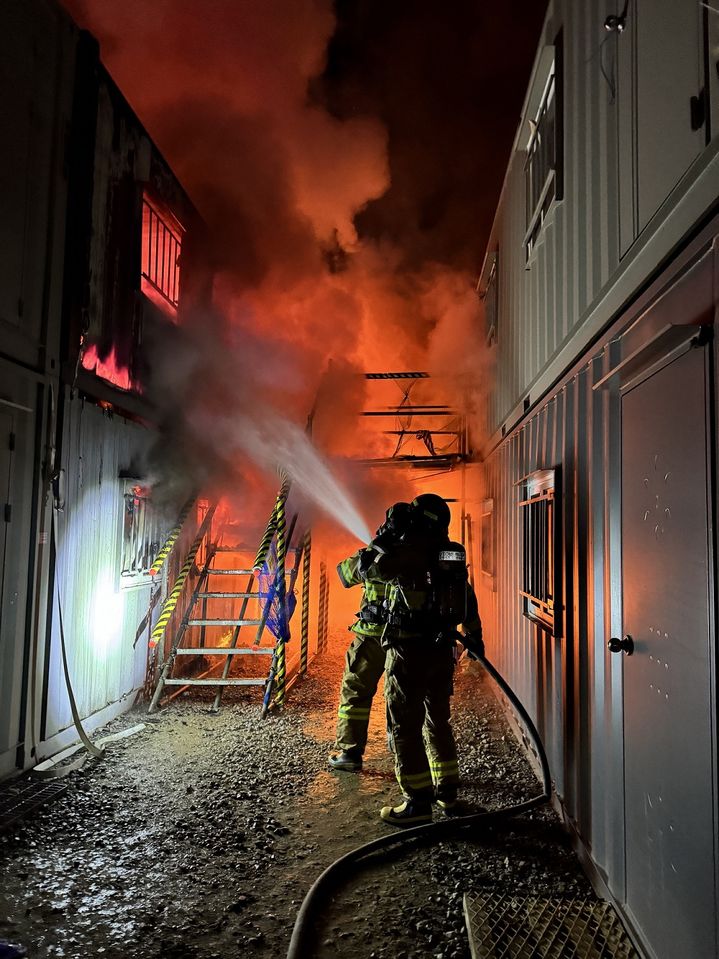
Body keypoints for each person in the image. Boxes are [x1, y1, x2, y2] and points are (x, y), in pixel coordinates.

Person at [371, 493, 484, 827]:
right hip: (441, 652)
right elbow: (468, 598)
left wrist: (387, 534)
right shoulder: (450, 553)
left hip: (408, 652)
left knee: (404, 727)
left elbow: (370, 569)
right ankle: (447, 792)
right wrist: (475, 638)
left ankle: (416, 803)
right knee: (437, 721)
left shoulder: (406, 552)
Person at [328, 503, 413, 772]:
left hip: (370, 638)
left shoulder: (373, 555)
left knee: (356, 691)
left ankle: (350, 753)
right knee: (401, 694)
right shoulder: (421, 555)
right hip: (406, 638)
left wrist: (373, 547)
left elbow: (344, 574)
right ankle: (400, 747)